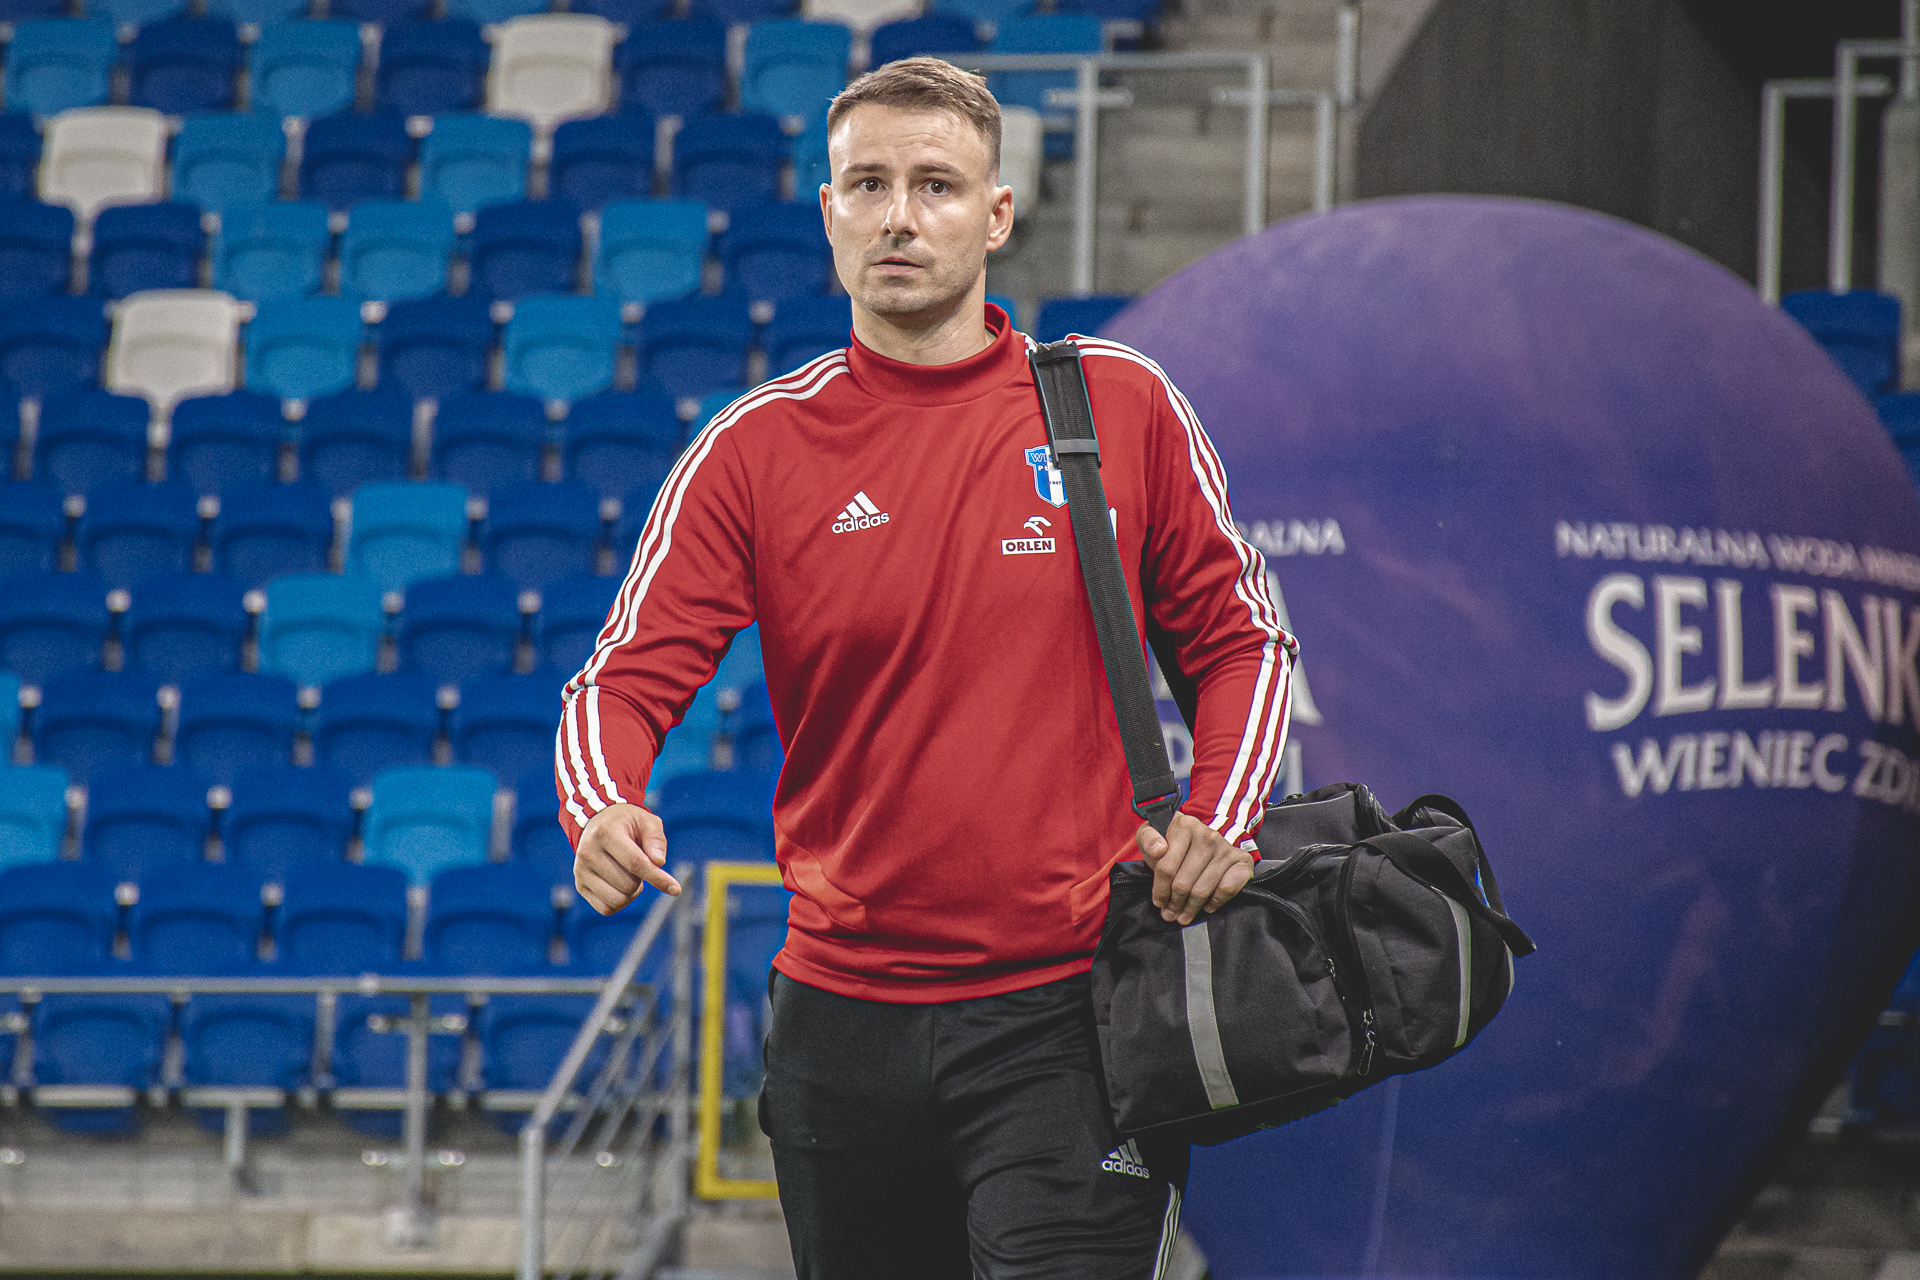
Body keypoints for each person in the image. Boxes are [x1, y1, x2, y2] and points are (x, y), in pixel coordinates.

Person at [556, 56, 1296, 1280]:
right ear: (829, 211)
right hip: (840, 1023)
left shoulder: (1118, 406)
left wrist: (1223, 813)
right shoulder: (754, 448)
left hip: (1073, 1016)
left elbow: (1242, 638)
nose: (899, 215)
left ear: (996, 215)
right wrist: (602, 800)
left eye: (936, 185)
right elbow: (620, 679)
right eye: (869, 185)